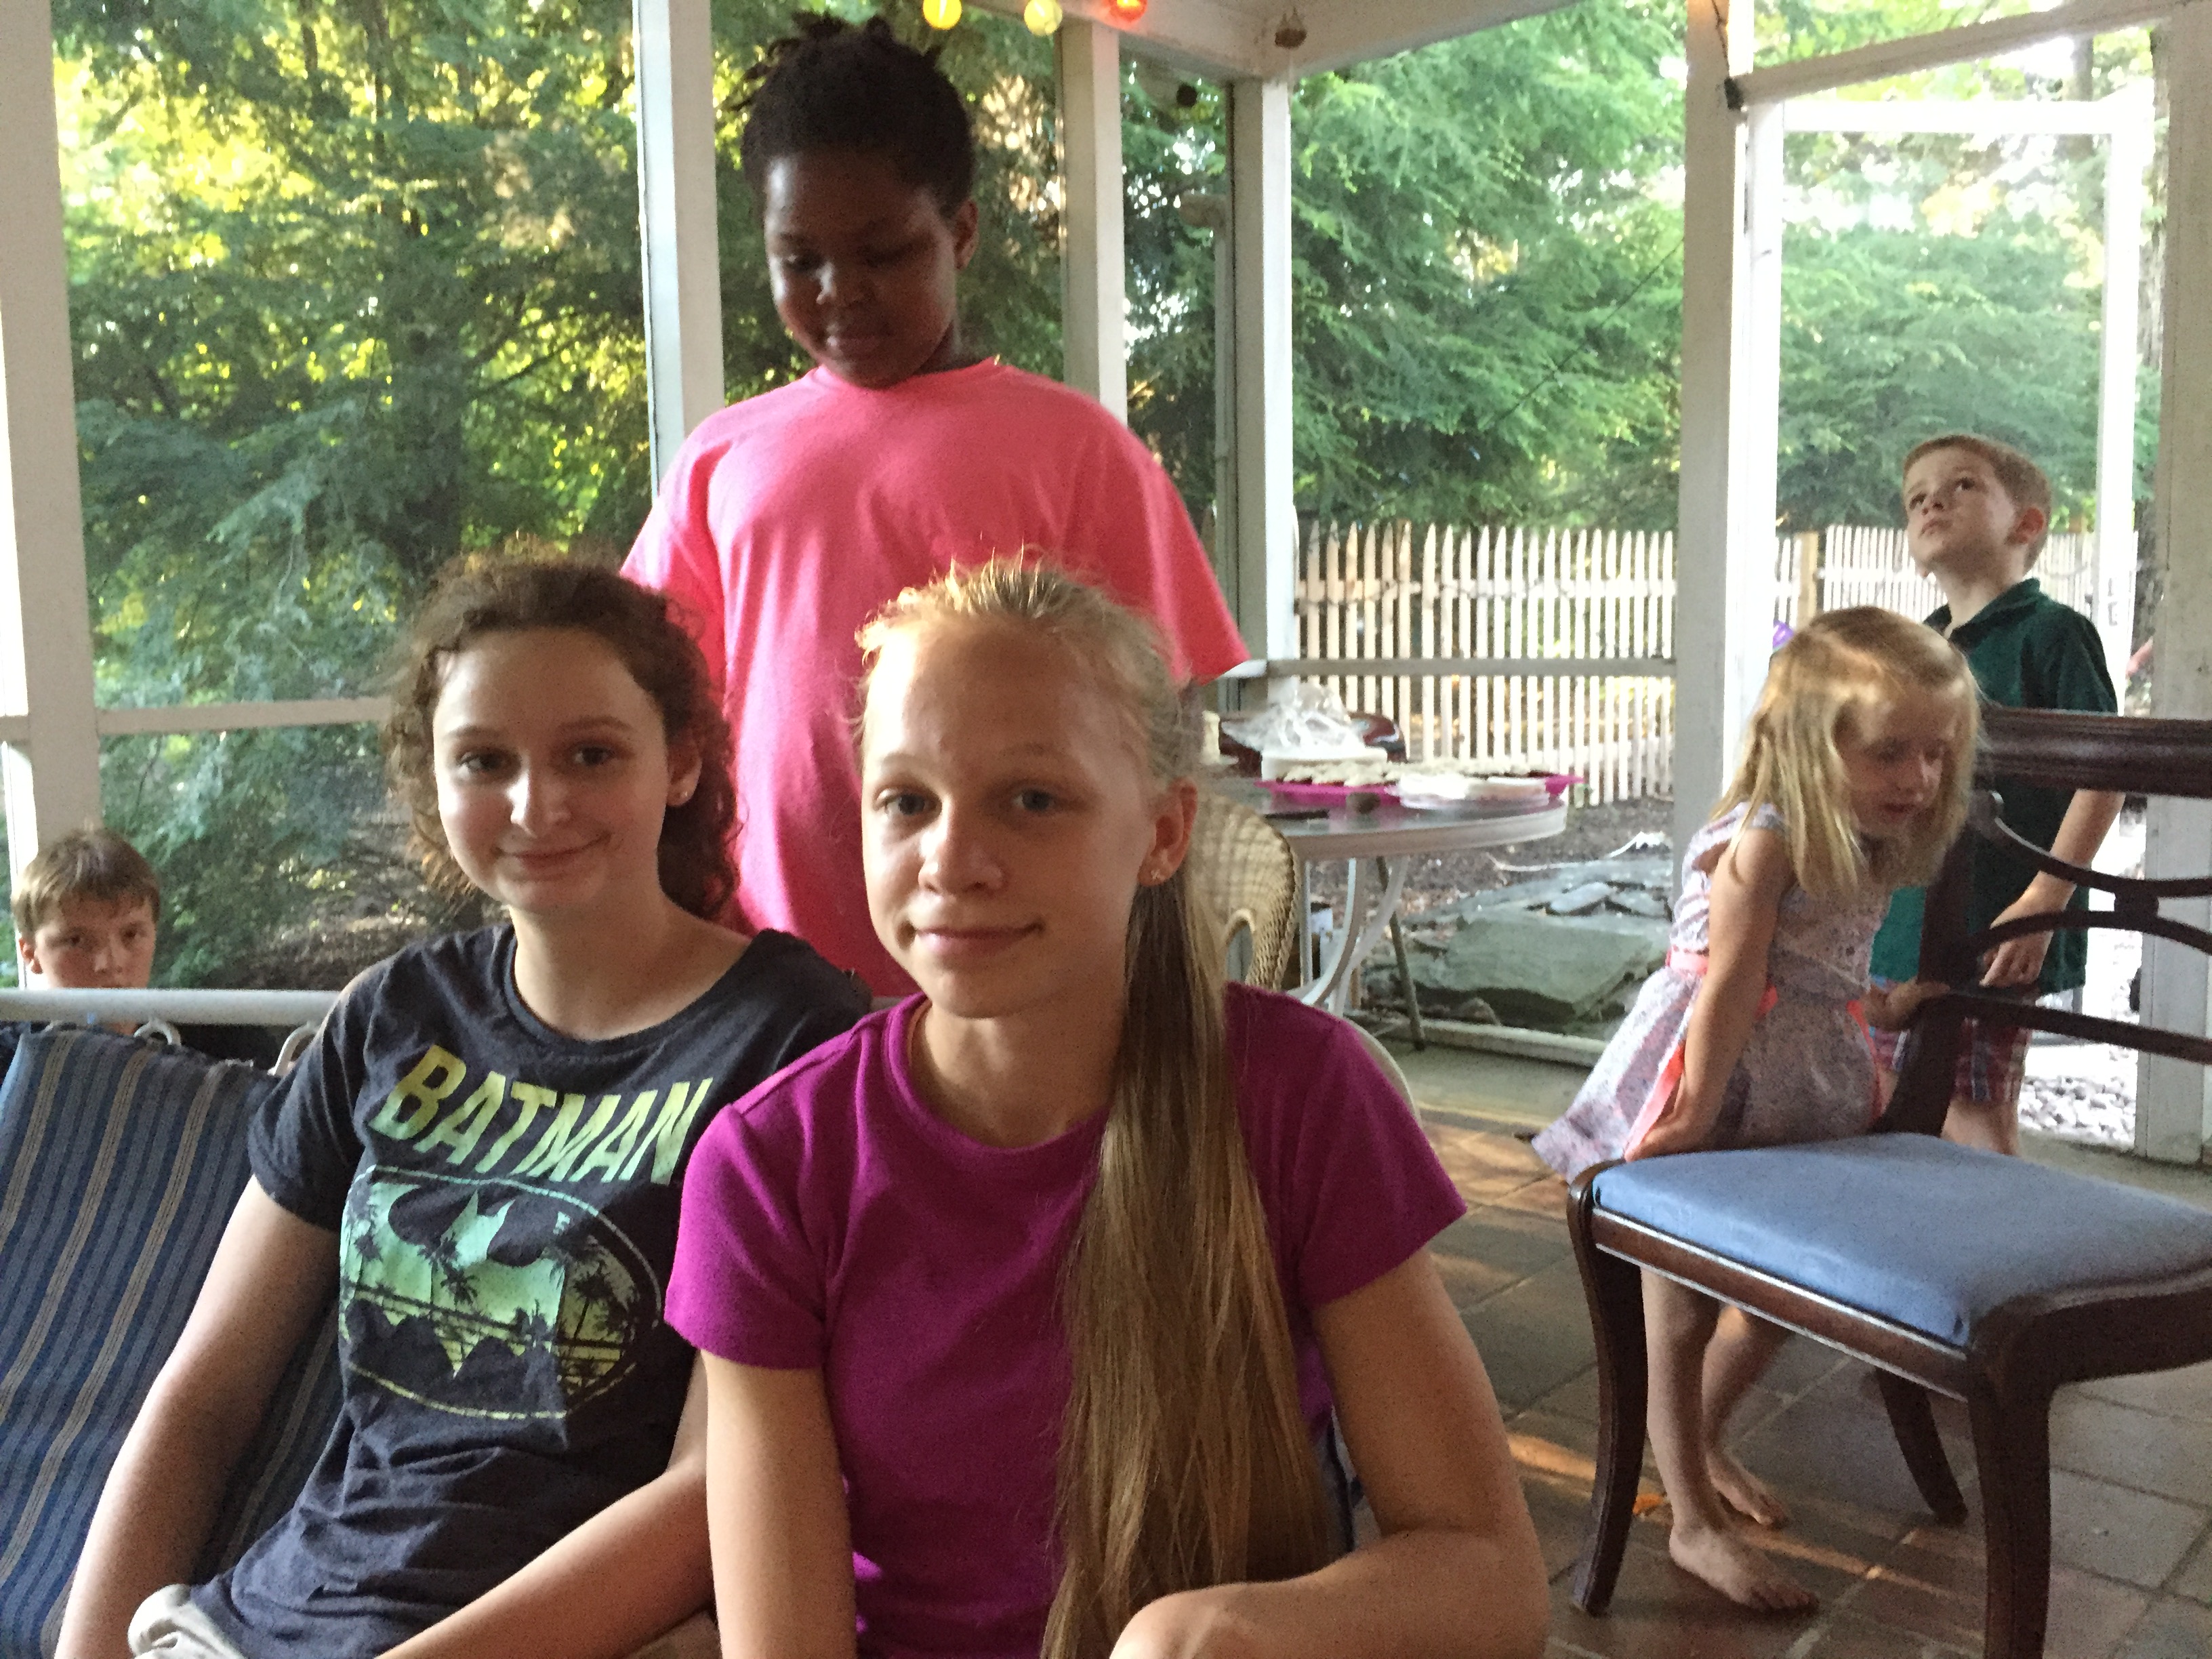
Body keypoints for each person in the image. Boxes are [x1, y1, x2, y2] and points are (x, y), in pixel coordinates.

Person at [668, 563, 1547, 1659]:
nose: (951, 862)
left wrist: (1228, 1628)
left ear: (1163, 833)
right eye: (906, 801)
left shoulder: (1299, 1098)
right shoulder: (771, 1164)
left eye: (1031, 799)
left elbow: (1489, 1574)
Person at [56, 558, 870, 1659]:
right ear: (432, 784)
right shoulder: (389, 1016)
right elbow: (202, 1400)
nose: (537, 804)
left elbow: (709, 1492)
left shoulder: (793, 1037)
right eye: (485, 760)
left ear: (680, 760)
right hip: (265, 1624)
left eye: (590, 754)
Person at [622, 15, 1248, 999]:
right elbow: (650, 702)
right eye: (801, 261)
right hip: (767, 985)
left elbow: (1164, 718)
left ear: (960, 231)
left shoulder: (1080, 452)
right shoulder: (720, 460)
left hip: (1017, 974)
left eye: (885, 253)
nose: (842, 292)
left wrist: (1140, 940)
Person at [1531, 609, 1980, 1612]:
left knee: (1775, 1297)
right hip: (1716, 1077)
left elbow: (1816, 966)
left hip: (1801, 1082)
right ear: (1809, 744)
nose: (1919, 777)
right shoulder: (1767, 840)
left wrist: (1878, 1006)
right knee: (1683, 1309)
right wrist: (1693, 1113)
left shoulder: (1870, 836)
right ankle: (1690, 1520)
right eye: (1890, 752)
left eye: (1937, 752)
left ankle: (1698, 1441)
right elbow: (1731, 982)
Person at [1866, 435, 2123, 1155]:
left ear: (2027, 524)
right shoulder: (1916, 647)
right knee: (1888, 1098)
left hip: (1994, 921)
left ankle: (1997, 1229)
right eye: (1916, 498)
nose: (1932, 503)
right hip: (1898, 919)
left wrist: (2046, 899)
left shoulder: (2053, 635)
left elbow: (2106, 770)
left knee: (1973, 1110)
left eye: (1962, 486)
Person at [13, 825, 161, 994]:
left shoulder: (184, 1009)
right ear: (31, 953)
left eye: (131, 935)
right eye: (76, 941)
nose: (110, 963)